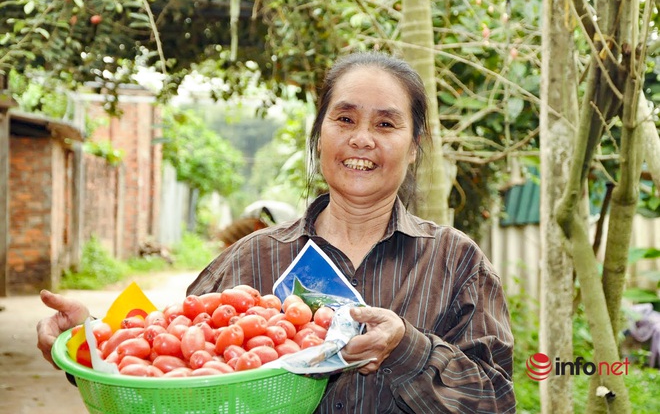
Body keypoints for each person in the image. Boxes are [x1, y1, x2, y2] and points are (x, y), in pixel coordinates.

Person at [37, 51, 515, 413]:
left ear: (414, 147)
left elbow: (496, 399)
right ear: (319, 133)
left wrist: (406, 348)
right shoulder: (249, 260)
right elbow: (168, 379)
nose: (362, 138)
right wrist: (91, 339)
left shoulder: (456, 262)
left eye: (386, 124)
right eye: (344, 118)